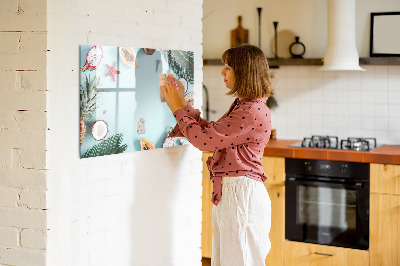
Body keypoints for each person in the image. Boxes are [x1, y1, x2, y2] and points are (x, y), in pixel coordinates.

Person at [161, 44, 273, 266]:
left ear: (244, 72)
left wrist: (176, 108)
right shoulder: (246, 106)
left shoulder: (250, 111)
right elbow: (211, 133)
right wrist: (183, 104)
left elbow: (204, 141)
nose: (222, 72)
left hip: (241, 195)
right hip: (236, 193)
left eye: (228, 67)